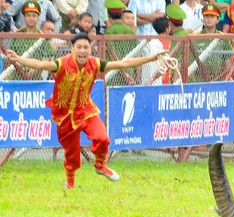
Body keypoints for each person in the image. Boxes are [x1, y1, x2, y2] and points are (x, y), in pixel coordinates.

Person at [5, 33, 167, 189]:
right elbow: (40, 64)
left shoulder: (95, 63)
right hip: (65, 115)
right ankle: (70, 182)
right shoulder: (61, 64)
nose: (82, 51)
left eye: (85, 47)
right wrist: (18, 59)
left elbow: (123, 64)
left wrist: (151, 58)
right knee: (72, 155)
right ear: (72, 49)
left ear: (90, 49)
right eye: (79, 47)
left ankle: (101, 165)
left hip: (86, 110)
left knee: (102, 137)